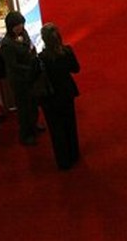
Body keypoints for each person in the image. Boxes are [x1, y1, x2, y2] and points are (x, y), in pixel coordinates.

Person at [38, 23, 81, 170]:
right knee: (70, 123)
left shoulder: (42, 58)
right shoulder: (67, 51)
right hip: (67, 93)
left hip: (50, 97)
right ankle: (74, 154)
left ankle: (63, 161)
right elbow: (76, 69)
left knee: (56, 129)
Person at [0, 12, 41, 146]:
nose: (21, 27)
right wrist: (30, 68)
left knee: (33, 103)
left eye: (22, 24)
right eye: (18, 25)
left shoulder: (23, 33)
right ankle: (26, 133)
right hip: (19, 79)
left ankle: (34, 125)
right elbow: (13, 65)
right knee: (24, 107)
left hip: (30, 75)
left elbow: (29, 44)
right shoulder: (7, 44)